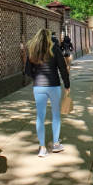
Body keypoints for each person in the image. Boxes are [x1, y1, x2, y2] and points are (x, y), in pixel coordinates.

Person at [25, 28, 70, 157]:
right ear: (49, 38)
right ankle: (56, 144)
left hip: (38, 87)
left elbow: (28, 71)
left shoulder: (33, 51)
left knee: (40, 116)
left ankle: (42, 148)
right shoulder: (55, 49)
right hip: (54, 85)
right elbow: (62, 68)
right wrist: (67, 85)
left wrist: (36, 77)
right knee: (56, 115)